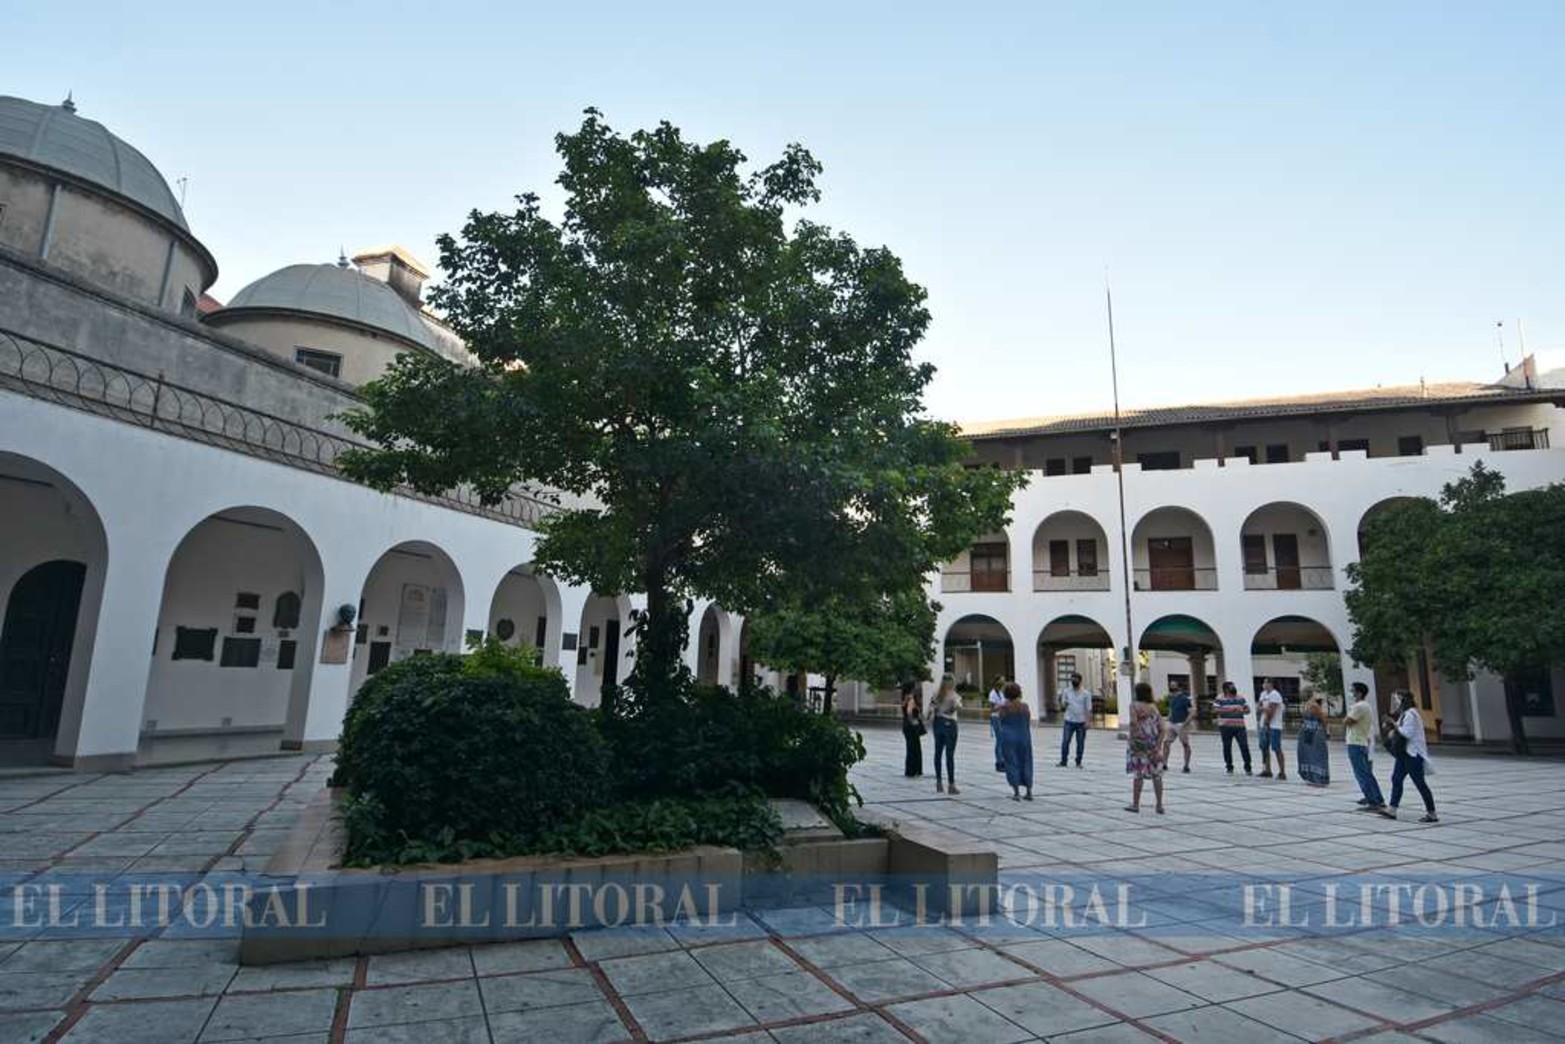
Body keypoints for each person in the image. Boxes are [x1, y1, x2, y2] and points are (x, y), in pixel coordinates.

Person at [1379, 690, 1438, 822]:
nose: (1395, 703)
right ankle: (1392, 809)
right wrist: (1391, 726)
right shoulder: (1404, 714)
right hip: (1404, 753)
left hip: (1412, 754)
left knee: (1419, 783)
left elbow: (1407, 733)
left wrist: (1393, 724)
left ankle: (1432, 813)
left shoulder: (1411, 714)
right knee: (1396, 778)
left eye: (1397, 699)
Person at [1125, 681, 1168, 814]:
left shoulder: (1134, 706)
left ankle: (1136, 804)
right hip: (1154, 744)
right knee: (1157, 775)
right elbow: (1163, 728)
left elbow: (1133, 723)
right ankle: (1159, 805)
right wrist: (1158, 745)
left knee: (1138, 775)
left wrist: (1136, 739)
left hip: (1139, 745)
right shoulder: (1154, 708)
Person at [1343, 682, 1385, 811]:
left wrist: (1347, 717)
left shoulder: (1360, 706)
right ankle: (1377, 798)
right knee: (1367, 773)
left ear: (1359, 693)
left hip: (1356, 742)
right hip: (1361, 742)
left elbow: (1347, 721)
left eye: (1353, 691)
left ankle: (1373, 802)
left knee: (1361, 774)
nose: (1351, 693)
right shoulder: (1364, 706)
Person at [996, 682, 1034, 800]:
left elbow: (1001, 721)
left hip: (1008, 737)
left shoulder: (1004, 708)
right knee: (1026, 761)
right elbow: (1028, 720)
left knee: (1011, 762)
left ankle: (1016, 792)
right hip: (1024, 736)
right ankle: (1029, 791)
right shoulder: (1025, 706)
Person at [929, 674, 961, 795]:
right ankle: (951, 785)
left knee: (938, 753)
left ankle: (939, 783)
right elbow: (958, 706)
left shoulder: (936, 694)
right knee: (949, 755)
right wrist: (950, 709)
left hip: (938, 723)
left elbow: (931, 708)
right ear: (952, 682)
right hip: (950, 723)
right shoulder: (953, 695)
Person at [1214, 681, 1253, 775]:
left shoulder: (1240, 698)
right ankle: (1229, 767)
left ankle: (1248, 767)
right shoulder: (1220, 698)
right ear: (1226, 689)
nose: (1233, 688)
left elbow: (1248, 710)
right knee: (1227, 747)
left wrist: (1242, 710)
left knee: (1244, 746)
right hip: (1225, 727)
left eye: (1234, 686)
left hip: (1240, 727)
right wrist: (1229, 709)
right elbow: (1216, 710)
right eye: (1231, 687)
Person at [1296, 692, 1330, 787]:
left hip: (1315, 733)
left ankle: (1320, 778)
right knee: (1307, 754)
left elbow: (1324, 719)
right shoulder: (1305, 705)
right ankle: (1310, 776)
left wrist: (1326, 732)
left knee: (1317, 755)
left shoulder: (1314, 706)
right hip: (1306, 732)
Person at [1058, 672, 1091, 768]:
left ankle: (1078, 761)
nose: (1073, 681)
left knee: (1080, 743)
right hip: (1069, 720)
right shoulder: (1067, 691)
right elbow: (1063, 705)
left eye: (1075, 680)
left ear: (1080, 681)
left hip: (1081, 722)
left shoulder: (1086, 693)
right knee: (1065, 741)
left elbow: (1088, 709)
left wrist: (1088, 721)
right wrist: (1063, 703)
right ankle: (1063, 761)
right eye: (1072, 680)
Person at [1256, 677, 1287, 780]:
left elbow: (1271, 711)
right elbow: (1258, 708)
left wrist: (1266, 722)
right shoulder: (1263, 694)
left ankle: (1282, 772)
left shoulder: (1275, 695)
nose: (1264, 684)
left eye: (1265, 682)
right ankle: (1267, 770)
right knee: (1264, 748)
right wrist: (1264, 709)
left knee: (1276, 748)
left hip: (1274, 726)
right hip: (1263, 725)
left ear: (1271, 684)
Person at [1167, 680, 1193, 773]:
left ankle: (1186, 765)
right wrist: (1168, 719)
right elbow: (1170, 709)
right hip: (1172, 723)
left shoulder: (1184, 699)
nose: (1171, 687)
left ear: (1179, 687)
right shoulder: (1171, 698)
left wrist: (1185, 724)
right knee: (1166, 742)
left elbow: (1191, 712)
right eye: (1171, 685)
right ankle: (1164, 764)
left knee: (1185, 744)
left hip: (1181, 724)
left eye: (1174, 685)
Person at [900, 681, 924, 778]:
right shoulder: (911, 699)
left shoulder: (904, 698)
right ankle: (915, 770)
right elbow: (909, 712)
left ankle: (910, 770)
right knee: (915, 748)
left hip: (905, 725)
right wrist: (914, 721)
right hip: (911, 726)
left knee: (910, 748)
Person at [987, 674, 1007, 772]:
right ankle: (999, 762)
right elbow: (992, 709)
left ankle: (1002, 761)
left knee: (1002, 741)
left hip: (1002, 718)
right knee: (999, 740)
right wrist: (1001, 706)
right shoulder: (992, 694)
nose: (1003, 682)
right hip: (996, 718)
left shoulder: (1001, 693)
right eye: (1001, 681)